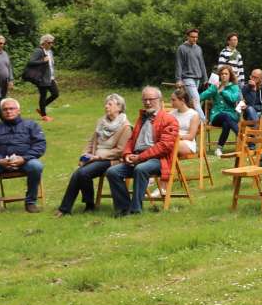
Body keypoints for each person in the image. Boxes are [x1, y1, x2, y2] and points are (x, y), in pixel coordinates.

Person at [104, 87, 177, 217]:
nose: (148, 102)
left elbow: (164, 146)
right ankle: (124, 208)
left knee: (141, 169)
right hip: (137, 157)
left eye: (151, 99)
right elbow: (131, 140)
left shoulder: (169, 119)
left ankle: (135, 209)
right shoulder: (141, 119)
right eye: (145, 100)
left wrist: (141, 157)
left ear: (160, 100)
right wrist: (127, 155)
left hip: (158, 160)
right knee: (112, 172)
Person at [55, 93, 132, 215]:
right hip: (95, 158)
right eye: (106, 104)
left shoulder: (125, 127)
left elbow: (120, 150)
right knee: (78, 173)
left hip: (111, 160)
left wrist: (98, 157)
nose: (106, 106)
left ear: (119, 107)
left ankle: (82, 206)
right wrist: (84, 156)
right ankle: (68, 208)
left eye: (110, 104)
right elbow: (91, 142)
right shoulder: (101, 122)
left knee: (82, 173)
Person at [0, 97, 46, 215]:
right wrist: (0, 160)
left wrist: (24, 158)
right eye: (5, 109)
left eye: (12, 109)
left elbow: (40, 145)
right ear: (1, 112)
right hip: (0, 162)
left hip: (25, 161)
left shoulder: (31, 125)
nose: (8, 111)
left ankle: (30, 202)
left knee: (36, 166)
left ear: (18, 110)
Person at [199, 65, 242, 154]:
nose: (224, 75)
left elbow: (233, 99)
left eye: (226, 74)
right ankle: (242, 136)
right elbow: (202, 96)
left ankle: (219, 148)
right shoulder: (215, 86)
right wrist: (213, 89)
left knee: (227, 123)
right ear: (219, 75)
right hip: (216, 116)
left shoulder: (234, 87)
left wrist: (222, 91)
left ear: (230, 75)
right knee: (225, 116)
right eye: (222, 74)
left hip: (232, 115)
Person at [21, 33, 60, 121]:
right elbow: (31, 62)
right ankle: (44, 115)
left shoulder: (50, 52)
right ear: (44, 42)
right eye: (49, 43)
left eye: (52, 42)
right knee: (43, 95)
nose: (51, 44)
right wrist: (42, 60)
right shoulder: (38, 51)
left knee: (55, 94)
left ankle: (41, 108)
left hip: (50, 77)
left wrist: (53, 77)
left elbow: (51, 66)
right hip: (41, 78)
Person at [175, 28, 207, 103]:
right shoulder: (181, 48)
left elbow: (202, 64)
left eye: (196, 37)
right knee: (196, 100)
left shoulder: (198, 48)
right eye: (193, 37)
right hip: (187, 78)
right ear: (187, 37)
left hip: (198, 79)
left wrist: (205, 79)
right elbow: (179, 64)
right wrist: (178, 79)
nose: (195, 39)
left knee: (190, 102)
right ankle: (202, 115)